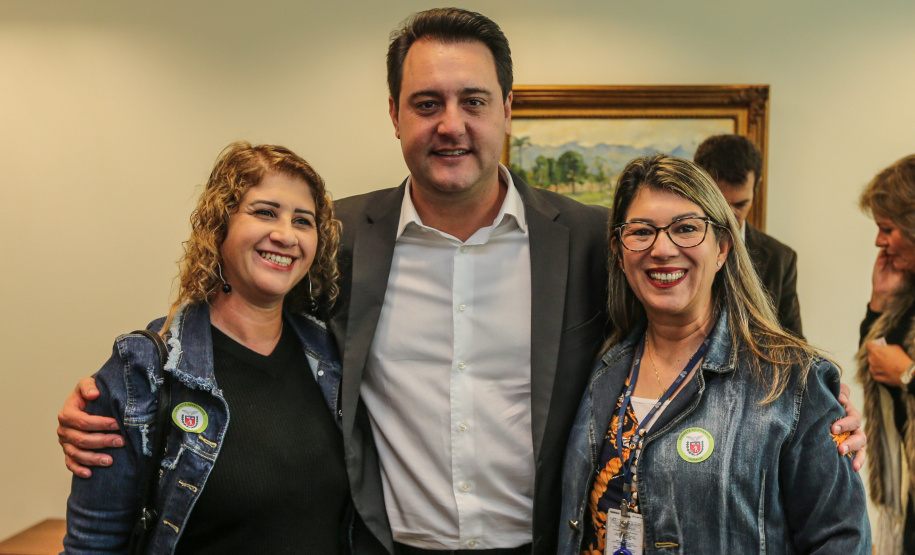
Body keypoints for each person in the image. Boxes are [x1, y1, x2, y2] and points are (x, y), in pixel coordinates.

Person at [56, 9, 867, 554]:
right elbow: (236, 321)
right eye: (427, 102)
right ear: (394, 114)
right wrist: (117, 401)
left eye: (473, 100)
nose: (452, 123)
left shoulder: (589, 239)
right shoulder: (335, 239)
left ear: (507, 108)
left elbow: (697, 322)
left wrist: (812, 414)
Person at [63, 141, 373, 554]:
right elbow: (93, 543)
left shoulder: (333, 357)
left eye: (303, 221)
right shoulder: (145, 370)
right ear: (219, 224)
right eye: (265, 212)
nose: (285, 235)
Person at [559, 154, 870, 554]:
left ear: (723, 247)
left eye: (686, 228)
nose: (662, 249)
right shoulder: (600, 368)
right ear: (620, 252)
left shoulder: (791, 383)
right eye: (641, 232)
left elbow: (842, 539)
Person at [857, 154, 915, 554]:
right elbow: (874, 366)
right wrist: (878, 305)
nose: (879, 241)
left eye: (887, 229)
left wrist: (910, 374)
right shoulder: (907, 290)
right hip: (906, 488)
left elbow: (899, 370)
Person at [694, 134, 803, 337]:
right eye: (721, 204)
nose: (730, 215)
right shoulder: (674, 248)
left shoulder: (780, 259)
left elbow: (796, 346)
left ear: (757, 188)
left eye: (741, 204)